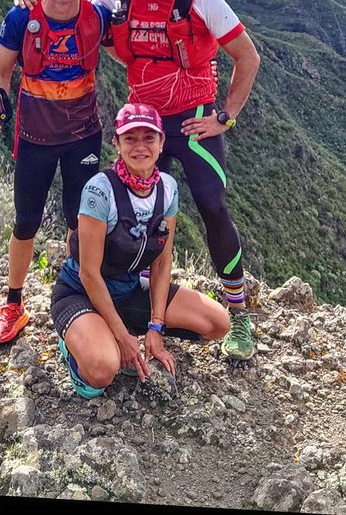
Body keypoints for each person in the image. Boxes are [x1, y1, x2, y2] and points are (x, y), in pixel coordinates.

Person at [16, 0, 261, 360]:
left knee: (212, 204)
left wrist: (225, 117)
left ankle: (239, 313)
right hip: (144, 124)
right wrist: (33, 0)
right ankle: (116, 300)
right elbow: (70, 4)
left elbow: (247, 55)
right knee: (136, 212)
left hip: (194, 121)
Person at [0, 0, 110, 344]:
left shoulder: (98, 16)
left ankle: (81, 293)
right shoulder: (21, 18)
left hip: (83, 135)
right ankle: (13, 304)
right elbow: (0, 71)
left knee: (80, 219)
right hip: (35, 135)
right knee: (26, 221)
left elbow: (137, 39)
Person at [51, 102, 229, 398]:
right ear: (117, 143)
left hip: (128, 291)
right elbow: (89, 273)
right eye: (130, 138)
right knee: (101, 372)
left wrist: (155, 328)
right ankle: (76, 344)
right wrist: (123, 337)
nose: (140, 147)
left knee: (217, 323)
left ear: (161, 143)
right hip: (80, 293)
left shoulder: (168, 189)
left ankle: (115, 332)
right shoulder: (99, 191)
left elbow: (161, 261)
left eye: (149, 137)